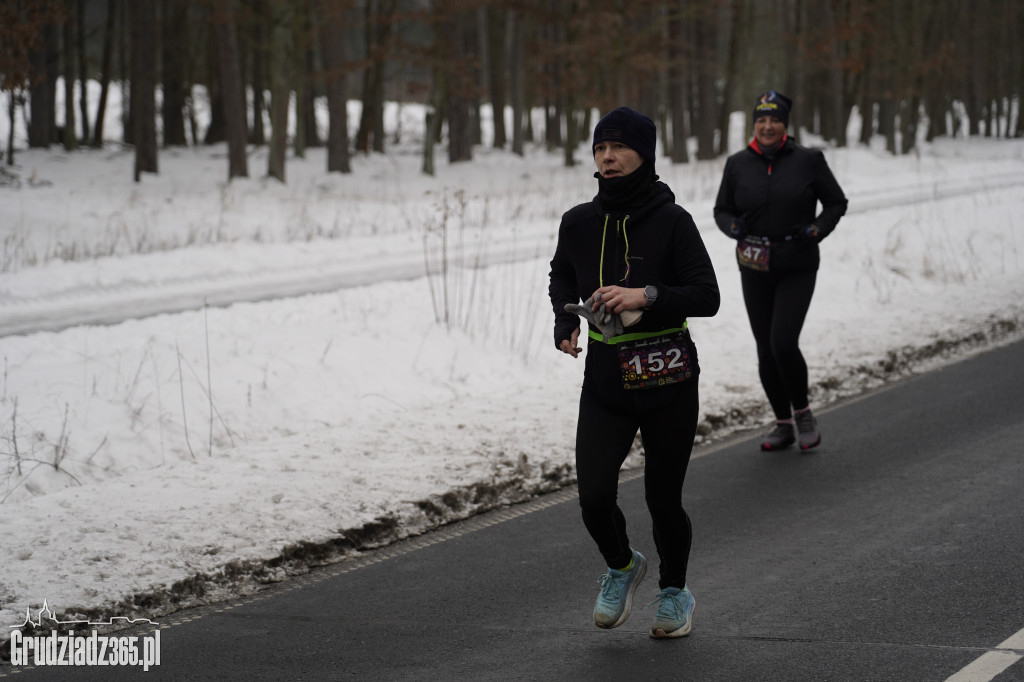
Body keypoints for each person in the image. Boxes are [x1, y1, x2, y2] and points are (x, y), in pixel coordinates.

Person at [548, 107, 720, 638]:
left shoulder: (674, 222)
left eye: (620, 147)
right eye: (600, 147)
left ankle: (674, 592)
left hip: (668, 377)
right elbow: (561, 274)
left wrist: (647, 295)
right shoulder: (578, 221)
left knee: (662, 499)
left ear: (644, 154)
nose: (608, 155)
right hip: (606, 378)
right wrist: (563, 320)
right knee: (594, 496)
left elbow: (707, 297)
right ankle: (623, 565)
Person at [713, 90, 848, 451]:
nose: (768, 126)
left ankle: (802, 412)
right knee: (764, 348)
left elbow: (836, 202)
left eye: (774, 120)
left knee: (782, 342)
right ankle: (783, 423)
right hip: (754, 264)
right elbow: (721, 210)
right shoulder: (738, 163)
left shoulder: (808, 160)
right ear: (754, 124)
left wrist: (817, 230)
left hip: (797, 262)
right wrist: (733, 228)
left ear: (784, 125)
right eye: (762, 120)